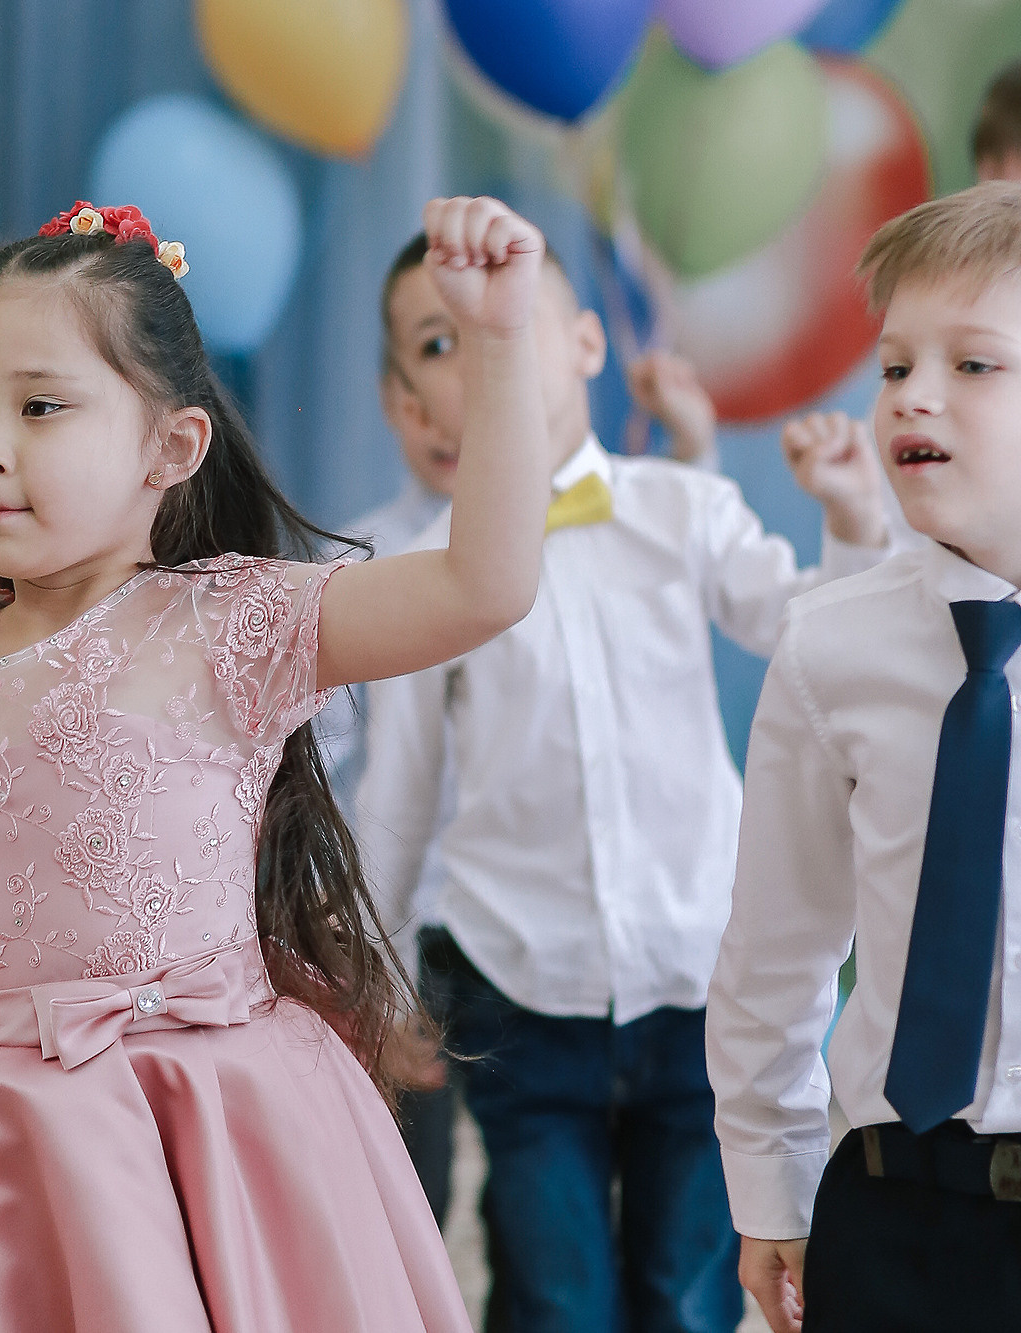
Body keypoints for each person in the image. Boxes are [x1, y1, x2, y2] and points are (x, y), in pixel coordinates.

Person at [0, 193, 561, 1332]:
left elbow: (482, 586)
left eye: (41, 407)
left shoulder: (232, 625)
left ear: (172, 445)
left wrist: (500, 340)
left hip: (209, 1126)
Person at [353, 229, 893, 1333]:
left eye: (514, 319)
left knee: (686, 1295)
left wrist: (848, 519)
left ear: (587, 342)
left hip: (696, 976)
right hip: (516, 982)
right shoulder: (420, 573)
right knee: (557, 1296)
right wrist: (379, 971)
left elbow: (800, 630)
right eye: (445, 339)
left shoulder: (676, 510)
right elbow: (400, 789)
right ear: (412, 399)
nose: (486, 349)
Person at [710, 182, 1021, 1333]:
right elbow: (774, 947)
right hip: (891, 1214)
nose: (914, 397)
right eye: (894, 366)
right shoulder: (829, 642)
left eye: (973, 365)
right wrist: (768, 1188)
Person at [328, 329, 723, 1227]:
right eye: (425, 374)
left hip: (547, 927)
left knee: (576, 1195)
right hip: (421, 921)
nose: (446, 415)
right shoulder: (364, 558)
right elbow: (343, 762)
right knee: (420, 1187)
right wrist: (364, 950)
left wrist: (693, 444)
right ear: (395, 402)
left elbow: (684, 552)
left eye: (474, 378)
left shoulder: (593, 525)